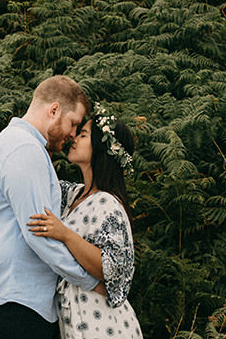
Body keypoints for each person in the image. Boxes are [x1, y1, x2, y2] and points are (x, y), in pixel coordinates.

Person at [0, 75, 101, 339]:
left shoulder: (17, 145)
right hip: (12, 303)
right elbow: (39, 234)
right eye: (73, 123)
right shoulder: (24, 148)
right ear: (54, 110)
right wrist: (91, 281)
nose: (73, 134)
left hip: (13, 301)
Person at [28, 102, 142, 339]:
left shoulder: (108, 203)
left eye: (83, 134)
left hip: (103, 325)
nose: (74, 139)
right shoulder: (71, 195)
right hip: (75, 321)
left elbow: (112, 267)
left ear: (102, 148)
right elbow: (38, 179)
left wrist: (65, 235)